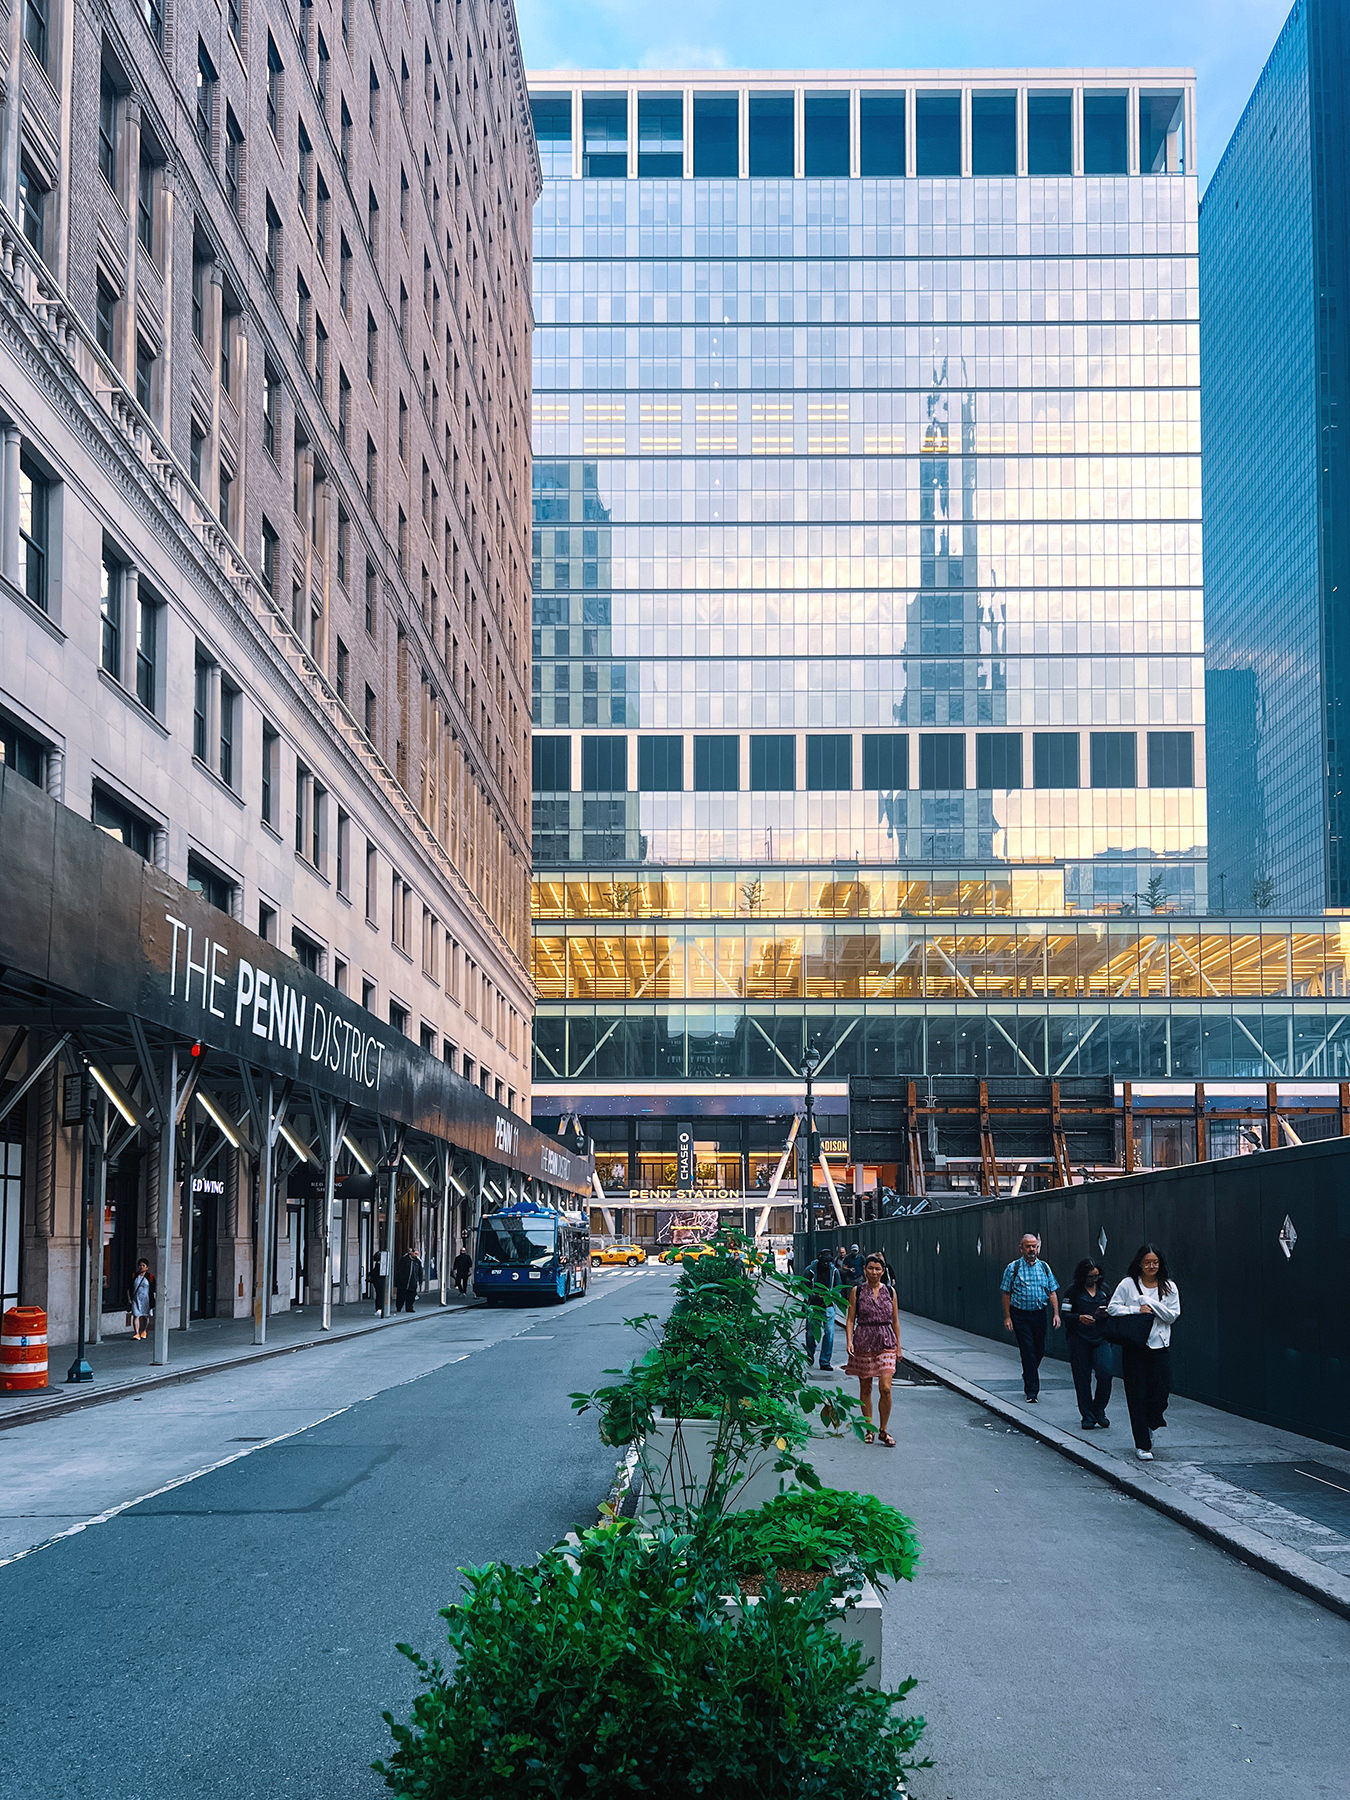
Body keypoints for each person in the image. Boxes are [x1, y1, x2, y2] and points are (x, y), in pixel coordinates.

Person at [1108, 1244, 1181, 1460]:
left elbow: (1172, 1316)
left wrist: (1148, 1302)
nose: (1151, 1266)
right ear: (1139, 1263)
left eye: (1155, 1262)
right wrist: (1135, 1309)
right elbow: (1113, 1308)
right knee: (1136, 1394)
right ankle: (1142, 1443)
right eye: (1147, 1262)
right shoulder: (1127, 1284)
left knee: (1162, 1392)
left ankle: (1151, 1421)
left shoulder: (1169, 1287)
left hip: (1160, 1346)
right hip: (1135, 1346)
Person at [844, 1253, 901, 1445]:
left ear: (883, 1271)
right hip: (864, 1340)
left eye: (878, 1269)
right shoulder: (857, 1291)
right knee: (866, 1387)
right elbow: (851, 1318)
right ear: (864, 1270)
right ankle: (869, 1428)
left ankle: (883, 1430)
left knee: (885, 1388)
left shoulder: (890, 1292)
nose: (874, 1272)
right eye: (870, 1268)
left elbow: (895, 1320)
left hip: (886, 1340)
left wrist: (899, 1347)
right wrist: (849, 1341)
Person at [999, 1233, 1061, 1402]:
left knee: (1039, 1350)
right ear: (1022, 1248)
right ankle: (1032, 1391)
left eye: (1034, 1246)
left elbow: (1052, 1291)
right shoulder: (1013, 1268)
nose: (1032, 1249)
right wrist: (1008, 1317)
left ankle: (1028, 1372)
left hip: (1040, 1314)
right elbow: (1006, 1293)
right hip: (1020, 1315)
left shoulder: (1044, 1267)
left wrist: (1056, 1313)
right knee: (1027, 1350)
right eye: (1028, 1246)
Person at [1063, 1257, 1113, 1430]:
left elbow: (1115, 1309)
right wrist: (1079, 1318)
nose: (1094, 1280)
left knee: (1105, 1372)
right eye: (1091, 1277)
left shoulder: (1104, 1290)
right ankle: (1088, 1415)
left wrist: (1107, 1312)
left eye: (1096, 1276)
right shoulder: (1072, 1292)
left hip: (1101, 1338)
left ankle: (1099, 1409)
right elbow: (1066, 1315)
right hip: (1079, 1339)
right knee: (1082, 1378)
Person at [804, 1247, 841, 1371]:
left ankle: (825, 1361)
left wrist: (831, 1296)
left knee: (829, 1333)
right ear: (819, 1259)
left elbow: (838, 1287)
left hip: (828, 1306)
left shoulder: (834, 1271)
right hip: (813, 1306)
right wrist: (812, 1297)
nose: (826, 1263)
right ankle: (810, 1353)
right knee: (810, 1333)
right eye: (824, 1261)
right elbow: (804, 1287)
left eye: (828, 1261)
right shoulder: (810, 1271)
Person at [127, 1258, 155, 1341]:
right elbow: (130, 1287)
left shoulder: (150, 1277)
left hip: (146, 1299)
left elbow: (153, 1288)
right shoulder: (134, 1276)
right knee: (136, 1315)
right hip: (136, 1298)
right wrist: (129, 1298)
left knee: (145, 1316)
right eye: (140, 1265)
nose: (141, 1267)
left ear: (147, 1267)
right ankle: (136, 1333)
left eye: (143, 1265)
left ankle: (144, 1330)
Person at [394, 1245, 424, 1314]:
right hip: (403, 1282)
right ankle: (399, 1307)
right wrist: (399, 1279)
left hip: (412, 1282)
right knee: (401, 1295)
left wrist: (420, 1280)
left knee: (411, 1295)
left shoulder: (417, 1261)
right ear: (412, 1253)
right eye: (415, 1253)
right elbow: (399, 1270)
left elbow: (420, 1271)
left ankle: (409, 1307)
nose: (416, 1255)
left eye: (417, 1254)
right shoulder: (405, 1260)